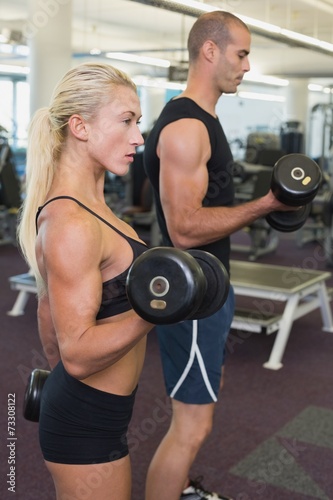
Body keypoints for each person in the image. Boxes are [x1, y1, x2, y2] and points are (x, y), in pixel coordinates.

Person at [144, 10, 298, 500]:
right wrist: (267, 204)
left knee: (201, 406)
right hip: (193, 299)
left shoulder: (204, 120)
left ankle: (183, 487)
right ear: (210, 51)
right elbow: (185, 229)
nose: (247, 65)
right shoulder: (187, 127)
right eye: (242, 53)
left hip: (211, 289)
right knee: (191, 426)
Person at [17, 62, 154, 500]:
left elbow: (46, 314)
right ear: (80, 127)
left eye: (139, 122)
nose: (139, 137)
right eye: (126, 121)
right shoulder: (71, 221)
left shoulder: (93, 209)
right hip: (85, 425)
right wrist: (156, 312)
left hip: (100, 412)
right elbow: (76, 354)